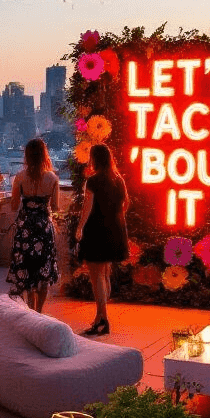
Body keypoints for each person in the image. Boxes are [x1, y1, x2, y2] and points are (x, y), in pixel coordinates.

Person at [74, 143, 129, 336]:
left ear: (94, 159)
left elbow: (87, 208)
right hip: (114, 230)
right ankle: (99, 317)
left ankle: (103, 318)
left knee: (96, 275)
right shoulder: (118, 179)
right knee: (104, 274)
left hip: (96, 230)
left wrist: (79, 228)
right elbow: (125, 205)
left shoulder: (93, 181)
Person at [7, 138, 60, 313]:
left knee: (28, 269)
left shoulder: (20, 177)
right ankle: (40, 311)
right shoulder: (52, 178)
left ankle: (30, 310)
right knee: (43, 270)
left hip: (26, 229)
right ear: (44, 155)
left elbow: (14, 205)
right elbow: (56, 207)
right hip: (44, 227)